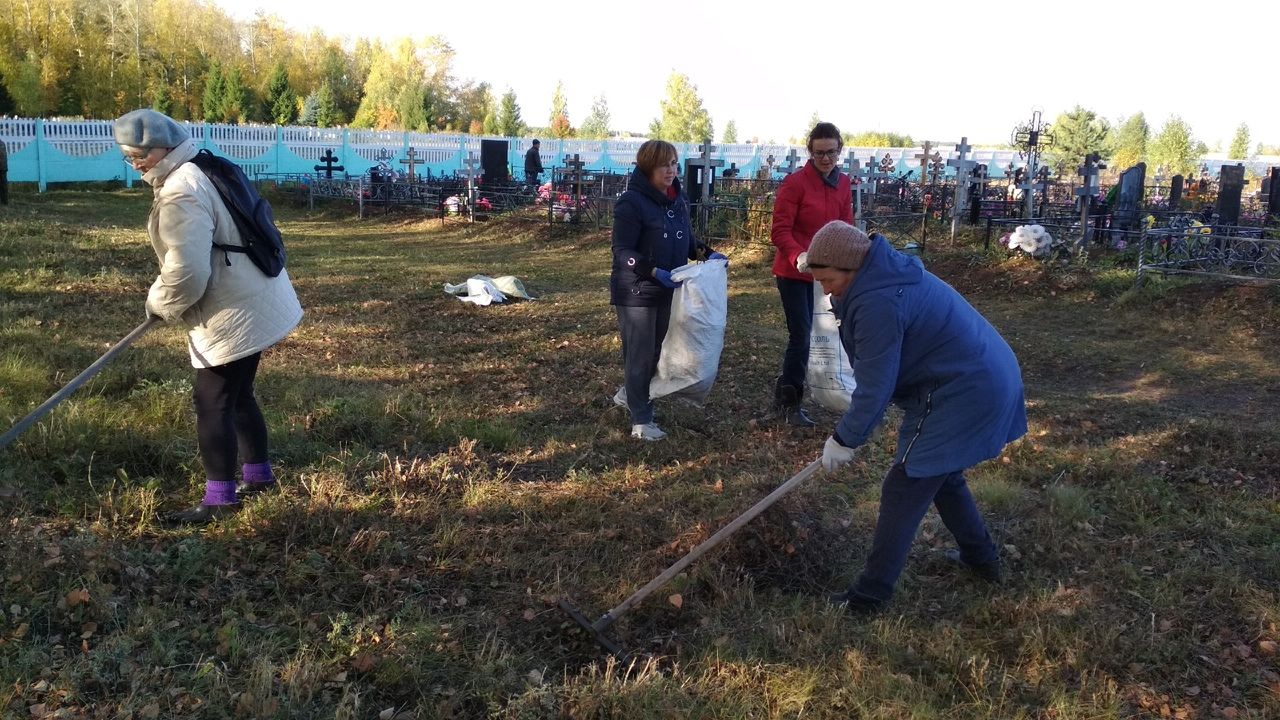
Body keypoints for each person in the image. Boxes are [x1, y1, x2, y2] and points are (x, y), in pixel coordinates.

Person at [804, 220, 1026, 613]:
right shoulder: (877, 277)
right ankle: (982, 560)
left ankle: (869, 597)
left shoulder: (879, 300)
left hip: (965, 389)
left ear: (852, 268)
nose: (825, 289)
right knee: (941, 476)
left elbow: (875, 383)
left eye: (828, 279)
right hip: (973, 377)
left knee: (903, 487)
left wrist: (845, 438)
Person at [112, 109, 303, 525]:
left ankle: (220, 500)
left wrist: (159, 303)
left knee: (211, 402)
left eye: (137, 155)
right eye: (128, 157)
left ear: (162, 146)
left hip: (233, 307)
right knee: (238, 394)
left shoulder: (181, 189)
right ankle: (259, 476)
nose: (135, 163)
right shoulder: (203, 163)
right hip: (258, 292)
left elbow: (187, 272)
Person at [610, 140, 725, 441]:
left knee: (660, 351)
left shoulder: (678, 200)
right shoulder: (631, 203)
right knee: (640, 353)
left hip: (669, 289)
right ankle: (641, 420)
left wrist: (708, 253)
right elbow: (621, 251)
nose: (671, 170)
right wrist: (651, 271)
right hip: (637, 291)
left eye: (674, 163)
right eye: (664, 165)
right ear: (648, 167)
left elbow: (687, 242)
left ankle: (629, 394)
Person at [769, 122, 853, 427]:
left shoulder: (842, 184)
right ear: (810, 152)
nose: (826, 159)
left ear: (839, 149)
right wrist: (798, 255)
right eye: (820, 153)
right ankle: (788, 402)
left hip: (828, 275)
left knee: (834, 333)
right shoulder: (795, 184)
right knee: (802, 335)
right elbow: (779, 230)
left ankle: (835, 389)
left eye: (831, 152)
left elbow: (846, 226)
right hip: (795, 272)